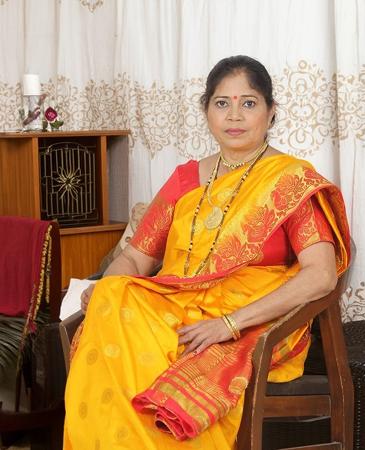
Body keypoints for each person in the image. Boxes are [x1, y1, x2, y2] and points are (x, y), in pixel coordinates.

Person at [63, 55, 350, 450]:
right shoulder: (186, 179)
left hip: (249, 323)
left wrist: (229, 324)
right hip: (178, 309)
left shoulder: (290, 182)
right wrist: (104, 290)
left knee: (139, 334)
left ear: (271, 111)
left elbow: (321, 274)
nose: (235, 115)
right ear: (206, 111)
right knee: (112, 296)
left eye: (248, 103)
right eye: (222, 103)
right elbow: (134, 259)